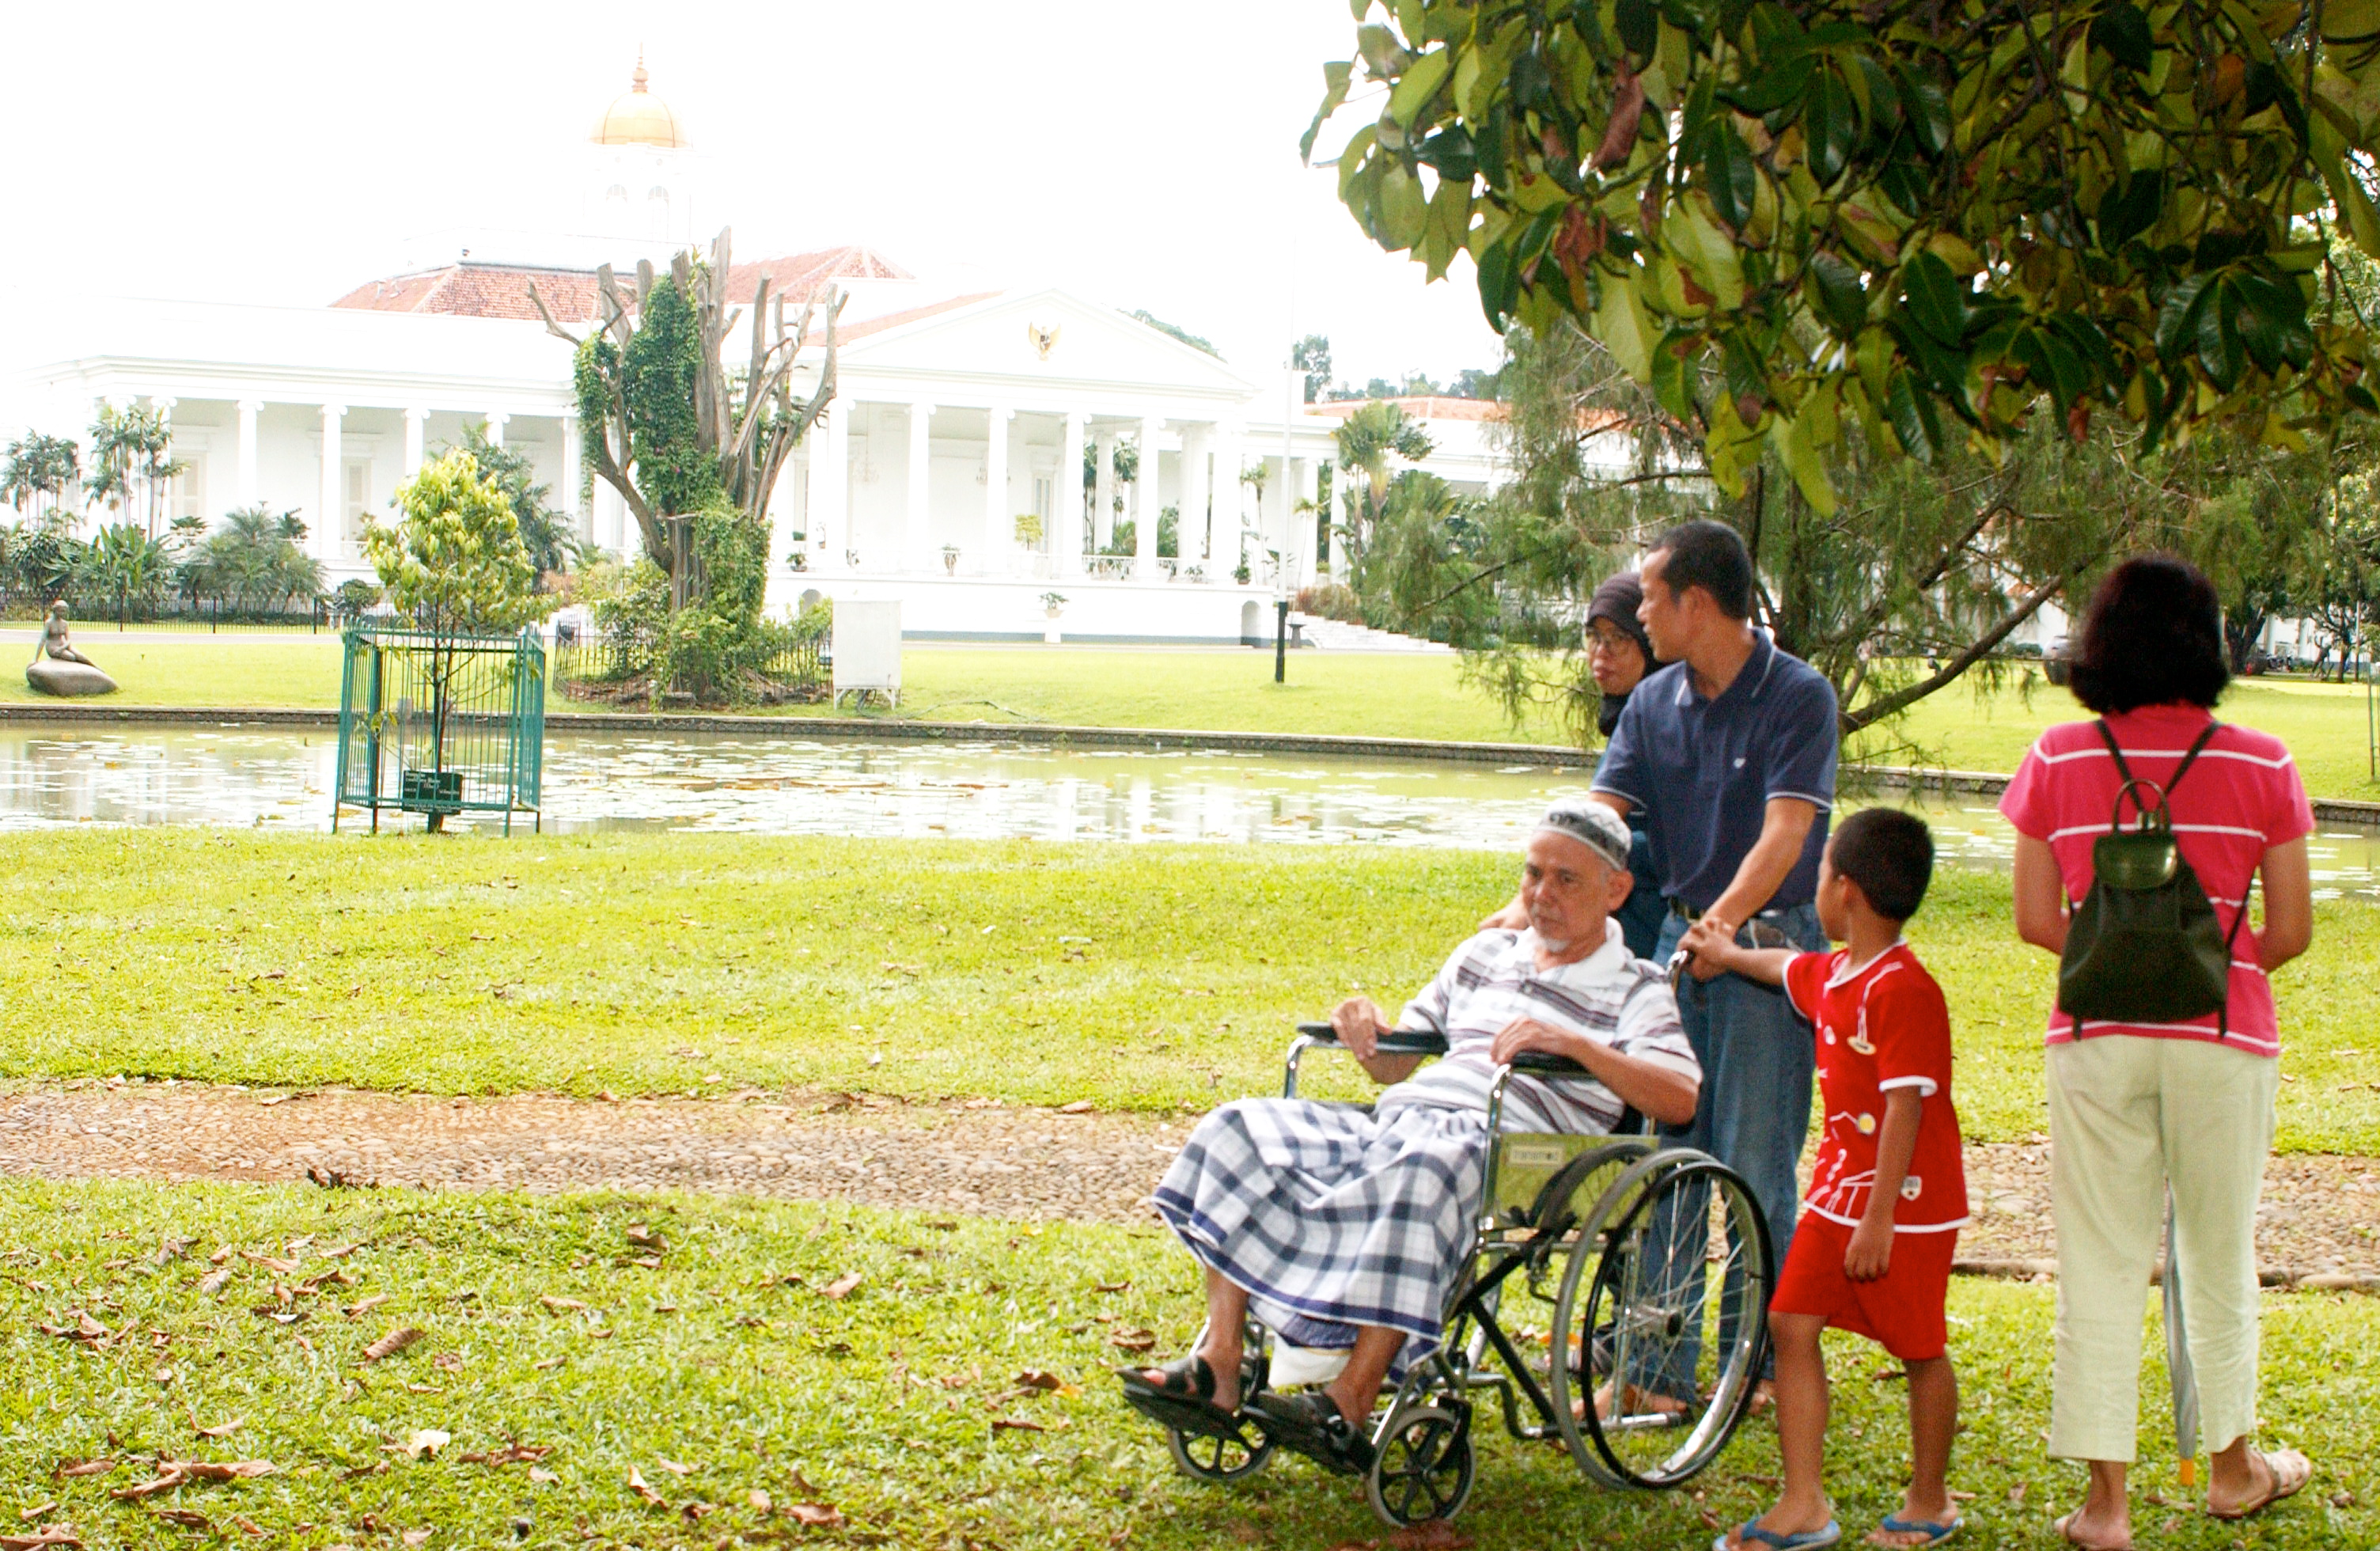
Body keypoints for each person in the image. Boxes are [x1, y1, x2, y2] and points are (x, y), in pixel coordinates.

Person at [1120, 803, 1700, 1471]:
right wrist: (1365, 1027)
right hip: (1407, 1117)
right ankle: (1222, 1361)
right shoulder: (1486, 955)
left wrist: (1575, 1044)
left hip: (1518, 1145)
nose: (1542, 895)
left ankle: (1350, 1401)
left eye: (1566, 880)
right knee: (1239, 1128)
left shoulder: (1638, 987)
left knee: (1425, 1167)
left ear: (1616, 890)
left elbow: (1678, 1095)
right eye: (1533, 874)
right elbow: (1396, 1061)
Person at [1999, 556, 2315, 1549]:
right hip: (2223, 1037)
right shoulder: (2263, 761)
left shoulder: (2054, 755)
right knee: (2217, 1253)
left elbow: (2034, 919)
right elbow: (2291, 928)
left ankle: (2105, 1505)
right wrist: (2204, 969)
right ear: (2207, 641)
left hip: (2094, 1037)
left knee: (2096, 1262)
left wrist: (2121, 965)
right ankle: (2231, 1471)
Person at [1498, 519, 1838, 1399]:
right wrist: (1526, 899)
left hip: (1765, 948)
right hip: (1677, 948)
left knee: (1753, 1167)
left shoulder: (1797, 695)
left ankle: (1753, 1365)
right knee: (1662, 1158)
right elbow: (1597, 818)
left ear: (1694, 601)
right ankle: (1653, 1374)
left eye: (1647, 596)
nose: (1638, 612)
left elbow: (1784, 834)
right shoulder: (1654, 704)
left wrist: (1717, 928)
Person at [1685, 809, 1967, 1550]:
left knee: (1918, 1348)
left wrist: (1879, 1220)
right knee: (1790, 1321)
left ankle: (1930, 1499)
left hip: (1904, 1204)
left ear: (1844, 890)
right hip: (1840, 1193)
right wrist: (1727, 949)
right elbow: (1786, 968)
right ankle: (1804, 1501)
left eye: (1818, 873)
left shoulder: (1905, 990)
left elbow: (1906, 1107)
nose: (1815, 887)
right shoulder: (1841, 974)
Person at [1586, 570, 1668, 960]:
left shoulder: (1664, 719)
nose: (1602, 652)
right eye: (1594, 638)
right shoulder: (1624, 717)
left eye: (1619, 639)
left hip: (1653, 923)